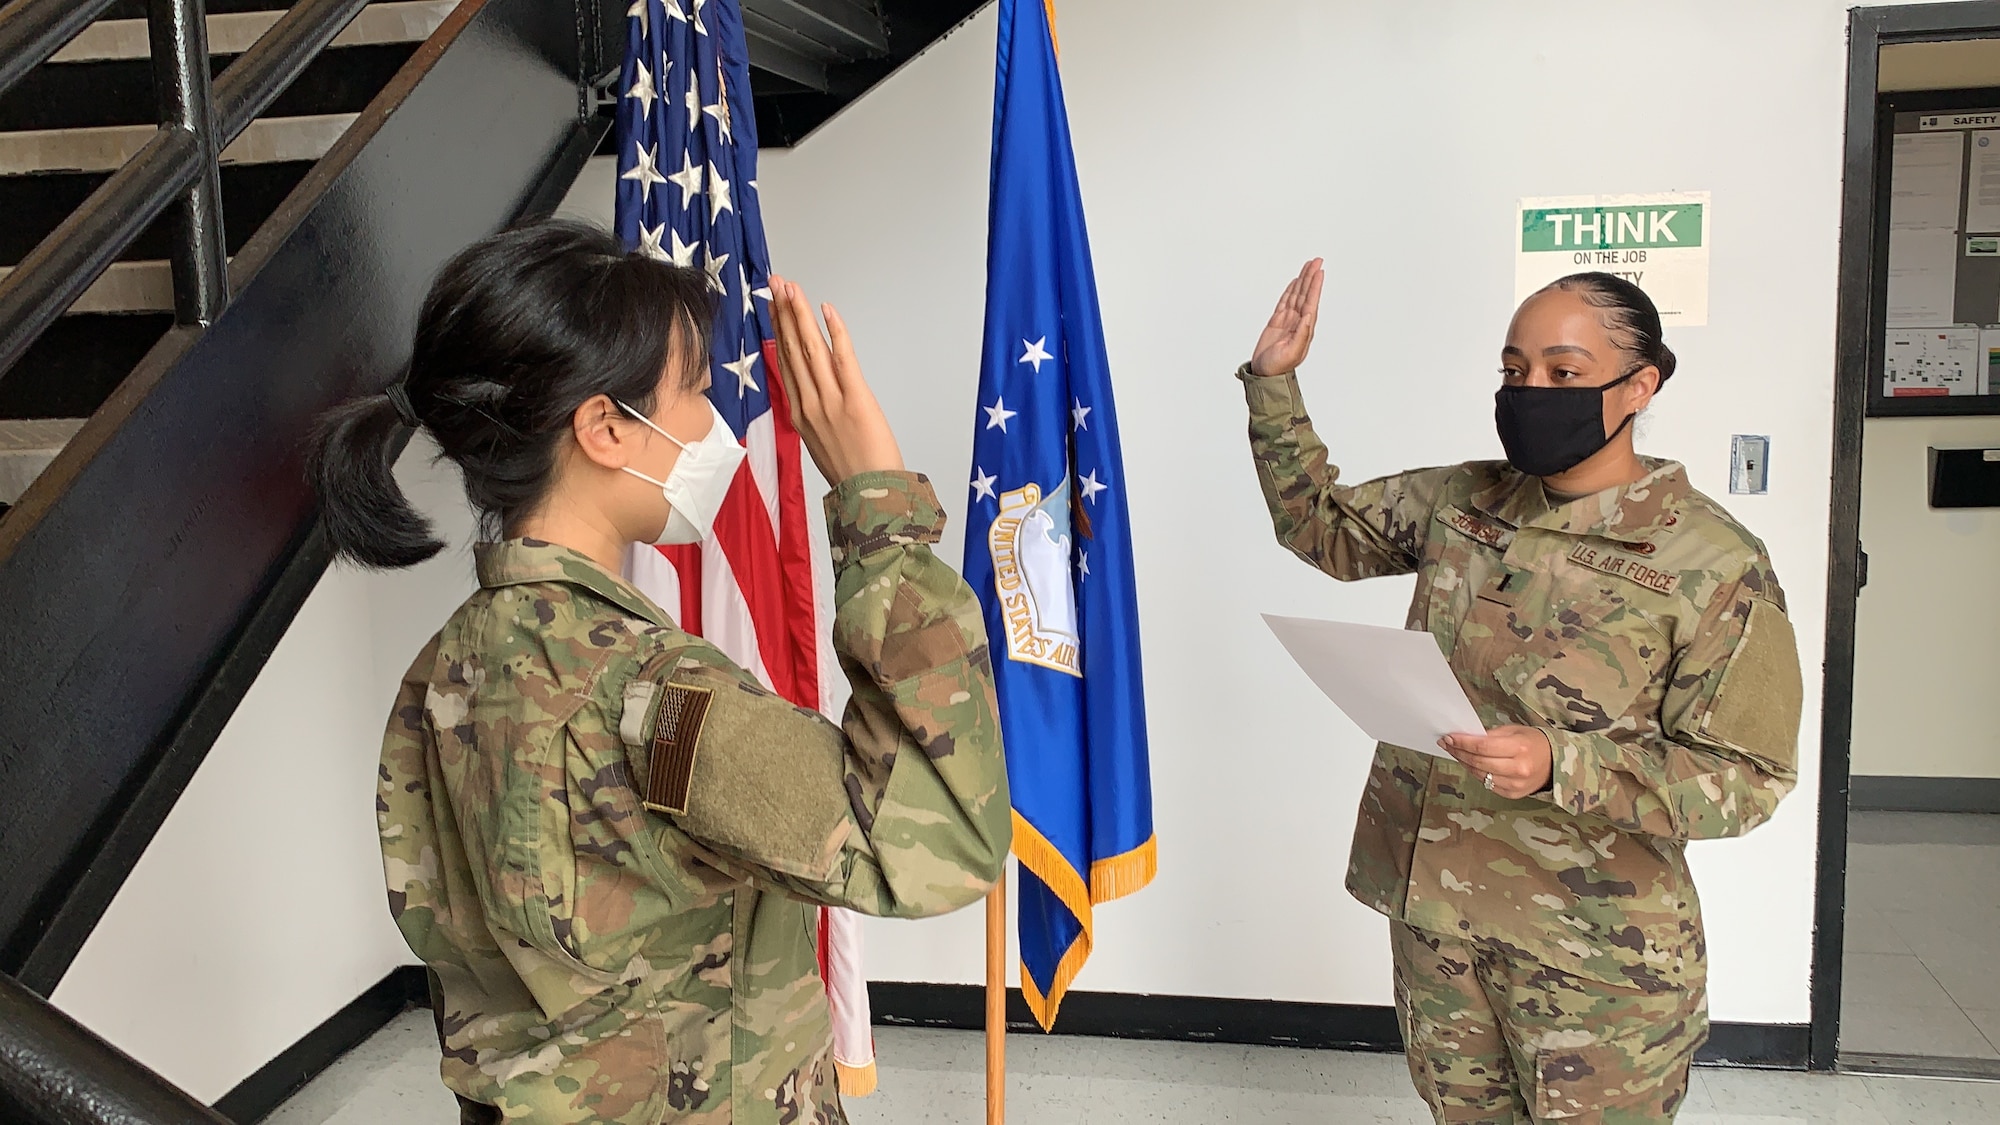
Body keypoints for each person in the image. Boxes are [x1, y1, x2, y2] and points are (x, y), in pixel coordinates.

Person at [307, 219, 1010, 1124]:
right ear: (604, 427)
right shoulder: (652, 694)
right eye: (695, 392)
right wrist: (877, 510)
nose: (715, 425)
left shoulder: (449, 664)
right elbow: (945, 840)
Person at [1239, 262, 1803, 1124]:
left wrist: (1561, 761)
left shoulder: (1715, 561)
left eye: (1564, 373)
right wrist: (1275, 386)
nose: (1531, 390)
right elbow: (1322, 526)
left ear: (1638, 384)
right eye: (1514, 370)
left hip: (1595, 958)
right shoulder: (1466, 498)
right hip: (1439, 921)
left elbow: (1746, 778)